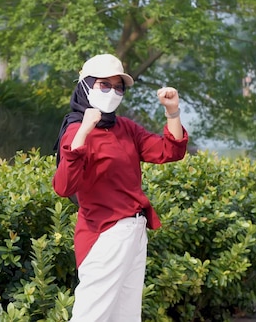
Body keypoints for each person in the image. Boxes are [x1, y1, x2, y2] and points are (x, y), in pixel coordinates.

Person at [52, 54, 188, 321]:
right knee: (91, 316)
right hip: (106, 232)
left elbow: (169, 150)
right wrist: (84, 131)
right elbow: (63, 186)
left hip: (135, 231)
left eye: (119, 87)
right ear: (86, 86)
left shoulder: (124, 127)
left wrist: (172, 111)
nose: (113, 92)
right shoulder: (76, 130)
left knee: (125, 316)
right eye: (105, 85)